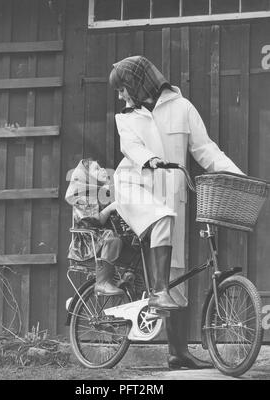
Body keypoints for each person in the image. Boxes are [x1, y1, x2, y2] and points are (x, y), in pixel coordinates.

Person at [109, 55, 244, 369]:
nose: (120, 96)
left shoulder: (182, 109)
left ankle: (177, 352)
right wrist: (150, 159)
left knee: (178, 275)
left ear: (137, 83)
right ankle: (153, 293)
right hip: (136, 189)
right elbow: (132, 149)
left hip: (173, 198)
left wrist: (236, 176)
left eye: (122, 88)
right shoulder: (127, 118)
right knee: (160, 241)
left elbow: (205, 149)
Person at [65, 158, 124, 296]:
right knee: (112, 239)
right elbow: (95, 220)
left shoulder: (104, 191)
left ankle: (128, 279)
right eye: (97, 169)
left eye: (101, 167)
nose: (103, 170)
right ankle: (102, 282)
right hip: (88, 240)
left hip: (100, 234)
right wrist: (110, 208)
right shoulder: (82, 195)